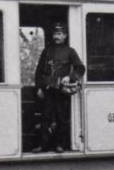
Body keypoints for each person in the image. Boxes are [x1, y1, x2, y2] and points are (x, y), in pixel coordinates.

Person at [33, 22, 85, 153]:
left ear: (65, 36)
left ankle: (60, 145)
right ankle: (43, 145)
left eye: (60, 34)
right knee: (45, 117)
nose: (57, 36)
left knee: (62, 118)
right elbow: (39, 71)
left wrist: (70, 77)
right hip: (48, 90)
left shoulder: (70, 51)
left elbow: (80, 68)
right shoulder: (47, 51)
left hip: (61, 91)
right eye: (55, 34)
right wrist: (39, 88)